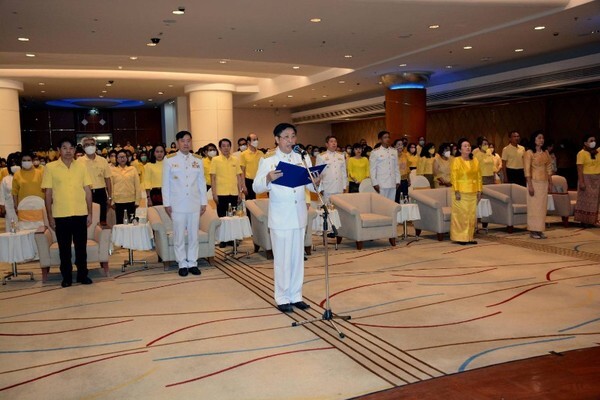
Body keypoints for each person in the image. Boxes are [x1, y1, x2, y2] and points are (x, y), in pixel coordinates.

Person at [253, 123, 320, 313]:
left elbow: (311, 187)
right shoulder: (268, 161)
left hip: (299, 216)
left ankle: (296, 295)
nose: (290, 140)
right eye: (286, 137)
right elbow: (256, 187)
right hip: (281, 219)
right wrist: (268, 178)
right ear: (277, 139)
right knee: (282, 260)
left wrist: (316, 181)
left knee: (297, 259)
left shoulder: (302, 158)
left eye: (293, 136)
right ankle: (282, 297)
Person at [41, 138, 93, 287]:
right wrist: (50, 216)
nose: (68, 151)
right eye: (64, 148)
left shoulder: (82, 167)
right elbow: (48, 194)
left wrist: (90, 213)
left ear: (75, 150)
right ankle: (67, 276)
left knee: (81, 247)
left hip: (80, 213)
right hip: (60, 214)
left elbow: (88, 191)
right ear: (59, 150)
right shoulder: (50, 168)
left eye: (71, 148)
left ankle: (83, 275)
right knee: (64, 249)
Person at [162, 131, 208, 277]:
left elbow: (202, 182)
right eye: (183, 141)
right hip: (177, 204)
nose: (186, 143)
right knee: (179, 235)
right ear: (177, 142)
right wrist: (167, 203)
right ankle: (182, 263)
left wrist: (204, 202)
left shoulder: (198, 160)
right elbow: (165, 184)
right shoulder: (169, 159)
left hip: (194, 203)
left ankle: (193, 262)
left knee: (194, 235)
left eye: (188, 140)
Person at [450, 138, 482, 245]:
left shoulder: (475, 160)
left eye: (469, 145)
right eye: (465, 146)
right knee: (461, 215)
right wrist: (456, 190)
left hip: (472, 191)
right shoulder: (457, 160)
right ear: (459, 149)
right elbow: (454, 176)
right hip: (461, 191)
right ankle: (460, 237)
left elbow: (478, 177)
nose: (468, 147)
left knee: (471, 215)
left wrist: (479, 190)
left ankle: (469, 237)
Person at [524, 131, 553, 239]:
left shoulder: (545, 152)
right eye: (539, 138)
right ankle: (533, 230)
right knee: (534, 207)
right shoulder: (529, 153)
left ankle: (540, 229)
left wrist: (550, 182)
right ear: (534, 139)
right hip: (534, 182)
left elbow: (549, 167)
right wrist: (530, 185)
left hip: (544, 182)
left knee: (542, 207)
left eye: (543, 138)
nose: (542, 140)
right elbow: (527, 171)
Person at [78, 137, 112, 224]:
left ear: (95, 146)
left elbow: (107, 179)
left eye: (92, 144)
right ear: (83, 147)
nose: (90, 146)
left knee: (102, 218)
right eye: (87, 145)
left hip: (101, 192)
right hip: (85, 192)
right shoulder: (78, 161)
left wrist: (110, 196)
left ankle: (101, 236)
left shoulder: (103, 160)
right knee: (87, 217)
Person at [210, 138, 245, 219]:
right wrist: (214, 194)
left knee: (233, 217)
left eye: (228, 146)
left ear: (230, 147)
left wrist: (240, 192)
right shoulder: (215, 160)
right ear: (220, 148)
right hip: (221, 193)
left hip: (234, 193)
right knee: (222, 218)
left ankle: (233, 232)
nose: (226, 148)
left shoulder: (235, 160)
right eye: (223, 146)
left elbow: (238, 177)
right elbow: (213, 178)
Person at [574, 134, 600, 227]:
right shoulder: (581, 153)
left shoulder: (597, 152)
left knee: (594, 201)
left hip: (597, 179)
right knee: (585, 200)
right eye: (591, 140)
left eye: (594, 140)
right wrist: (581, 182)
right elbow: (579, 169)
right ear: (585, 143)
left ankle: (592, 220)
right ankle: (584, 221)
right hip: (586, 178)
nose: (593, 142)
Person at [111, 150, 141, 225]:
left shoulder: (132, 169)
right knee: (120, 223)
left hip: (131, 200)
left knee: (132, 222)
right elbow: (111, 186)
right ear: (117, 159)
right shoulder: (112, 170)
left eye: (124, 157)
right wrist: (112, 201)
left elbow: (137, 185)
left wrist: (137, 200)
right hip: (118, 201)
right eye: (120, 157)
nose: (122, 159)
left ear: (127, 158)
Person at [316, 135, 348, 203]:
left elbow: (344, 173)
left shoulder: (341, 156)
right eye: (331, 141)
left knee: (340, 209)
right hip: (327, 188)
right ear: (327, 144)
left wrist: (344, 186)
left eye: (335, 141)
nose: (334, 143)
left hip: (339, 187)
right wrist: (320, 188)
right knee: (329, 210)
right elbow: (318, 174)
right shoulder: (321, 156)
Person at [369, 131, 400, 201]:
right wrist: (374, 183)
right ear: (380, 140)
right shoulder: (375, 152)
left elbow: (396, 167)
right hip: (381, 183)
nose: (387, 139)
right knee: (382, 203)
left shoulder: (394, 151)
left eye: (388, 137)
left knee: (392, 203)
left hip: (392, 182)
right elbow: (372, 169)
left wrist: (398, 180)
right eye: (385, 137)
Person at [239, 133, 264, 200]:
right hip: (249, 181)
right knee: (250, 203)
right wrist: (243, 186)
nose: (256, 141)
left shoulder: (261, 153)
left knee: (260, 203)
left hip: (260, 180)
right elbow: (242, 171)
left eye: (257, 139)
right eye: (254, 140)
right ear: (249, 142)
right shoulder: (243, 154)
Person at [0, 153, 20, 230]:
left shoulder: (22, 177)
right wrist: (2, 206)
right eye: (12, 164)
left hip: (21, 206)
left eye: (16, 164)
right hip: (9, 207)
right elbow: (2, 193)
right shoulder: (5, 179)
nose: (15, 166)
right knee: (11, 226)